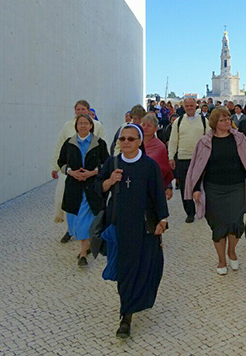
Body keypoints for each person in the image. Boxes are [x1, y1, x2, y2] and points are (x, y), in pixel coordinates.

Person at [94, 124, 169, 338]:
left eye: (131, 139)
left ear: (139, 142)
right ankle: (125, 316)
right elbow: (97, 187)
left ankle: (137, 301)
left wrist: (162, 221)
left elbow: (157, 195)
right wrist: (109, 181)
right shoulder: (113, 163)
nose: (126, 142)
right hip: (120, 226)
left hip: (144, 226)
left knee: (146, 267)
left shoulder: (149, 166)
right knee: (126, 270)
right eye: (122, 139)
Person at [185, 107, 246, 274]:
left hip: (235, 188)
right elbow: (198, 167)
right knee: (218, 226)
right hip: (214, 189)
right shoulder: (205, 142)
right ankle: (221, 260)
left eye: (228, 119)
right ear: (214, 123)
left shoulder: (240, 139)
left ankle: (232, 251)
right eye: (222, 120)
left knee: (235, 222)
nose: (226, 122)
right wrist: (196, 188)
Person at [51, 100, 106, 243]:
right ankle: (70, 230)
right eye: (78, 109)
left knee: (87, 204)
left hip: (90, 173)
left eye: (83, 109)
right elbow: (60, 147)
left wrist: (94, 171)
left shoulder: (98, 126)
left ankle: (87, 236)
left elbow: (102, 152)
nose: (80, 111)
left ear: (88, 111)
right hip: (71, 173)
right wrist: (56, 167)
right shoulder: (67, 126)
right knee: (68, 202)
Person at [57, 114, 109, 266]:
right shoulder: (69, 143)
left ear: (91, 125)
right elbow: (61, 162)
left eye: (86, 123)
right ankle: (85, 247)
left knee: (84, 219)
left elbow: (106, 163)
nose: (83, 126)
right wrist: (71, 172)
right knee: (75, 219)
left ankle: (82, 253)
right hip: (74, 188)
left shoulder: (99, 143)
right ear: (76, 125)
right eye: (80, 123)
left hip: (91, 188)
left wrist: (92, 173)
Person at [168, 97, 208, 223]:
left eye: (192, 105)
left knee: (202, 185)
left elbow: (208, 139)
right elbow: (173, 140)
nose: (190, 108)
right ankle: (189, 212)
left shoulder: (203, 120)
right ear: (184, 107)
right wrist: (171, 156)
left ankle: (203, 208)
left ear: (196, 106)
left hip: (200, 159)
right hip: (183, 158)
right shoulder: (178, 122)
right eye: (187, 106)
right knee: (186, 186)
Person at [141, 114, 174, 201]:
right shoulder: (134, 143)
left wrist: (168, 187)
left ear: (155, 128)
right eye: (143, 125)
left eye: (149, 125)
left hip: (154, 186)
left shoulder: (160, 147)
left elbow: (165, 169)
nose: (145, 127)